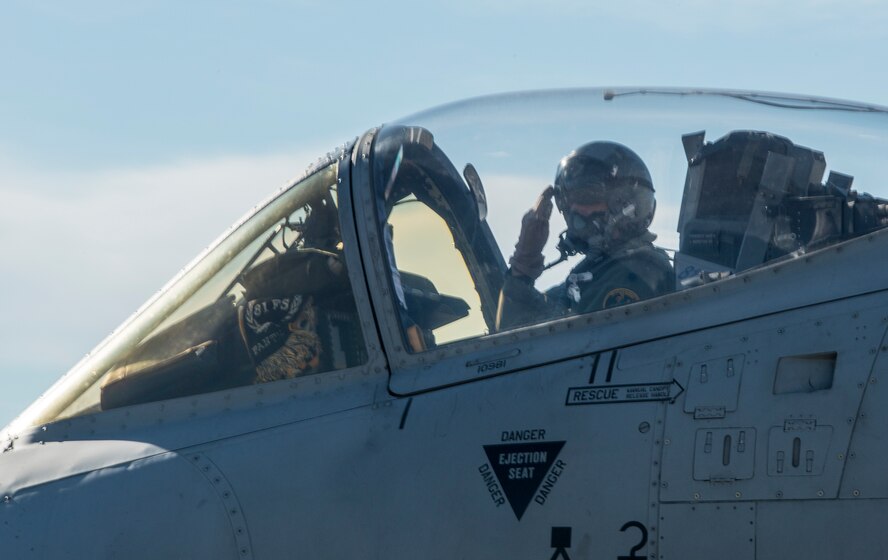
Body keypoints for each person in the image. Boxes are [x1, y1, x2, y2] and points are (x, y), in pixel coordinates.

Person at [496, 141, 674, 330]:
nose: (574, 209)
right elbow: (513, 338)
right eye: (568, 199)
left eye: (586, 196)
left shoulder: (636, 273)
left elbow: (558, 349)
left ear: (626, 204)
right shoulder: (594, 275)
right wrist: (524, 261)